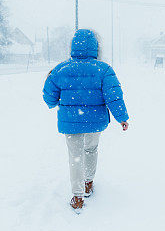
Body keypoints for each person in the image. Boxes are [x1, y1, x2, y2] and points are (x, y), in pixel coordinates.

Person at [42, 29, 129, 212]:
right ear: (95, 48)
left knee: (75, 157)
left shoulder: (61, 69)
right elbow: (114, 96)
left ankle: (78, 196)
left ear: (73, 46)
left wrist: (56, 102)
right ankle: (88, 182)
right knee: (91, 149)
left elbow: (49, 96)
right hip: (94, 122)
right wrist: (122, 118)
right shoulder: (103, 69)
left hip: (70, 122)